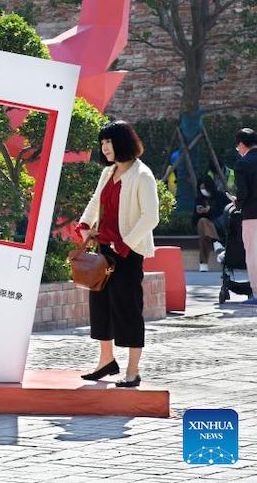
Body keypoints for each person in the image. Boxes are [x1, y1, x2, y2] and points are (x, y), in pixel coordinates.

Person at [76, 121, 159, 388]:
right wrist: (84, 226)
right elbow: (95, 201)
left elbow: (151, 217)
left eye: (109, 142)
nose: (105, 147)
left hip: (128, 252)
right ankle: (106, 361)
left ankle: (132, 372)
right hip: (103, 249)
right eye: (102, 143)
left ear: (123, 142)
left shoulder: (142, 175)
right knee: (100, 306)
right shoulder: (108, 172)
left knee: (128, 308)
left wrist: (125, 244)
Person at [233, 128, 257, 304]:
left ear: (241, 145)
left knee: (253, 255)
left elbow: (244, 192)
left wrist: (237, 202)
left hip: (252, 214)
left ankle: (256, 294)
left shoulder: (243, 164)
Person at [192, 175, 232, 272]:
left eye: (204, 188)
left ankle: (203, 263)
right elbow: (194, 220)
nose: (203, 190)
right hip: (206, 226)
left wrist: (210, 210)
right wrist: (199, 213)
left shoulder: (220, 197)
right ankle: (216, 242)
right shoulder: (199, 199)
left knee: (205, 234)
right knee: (202, 222)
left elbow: (226, 212)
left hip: (220, 226)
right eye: (201, 188)